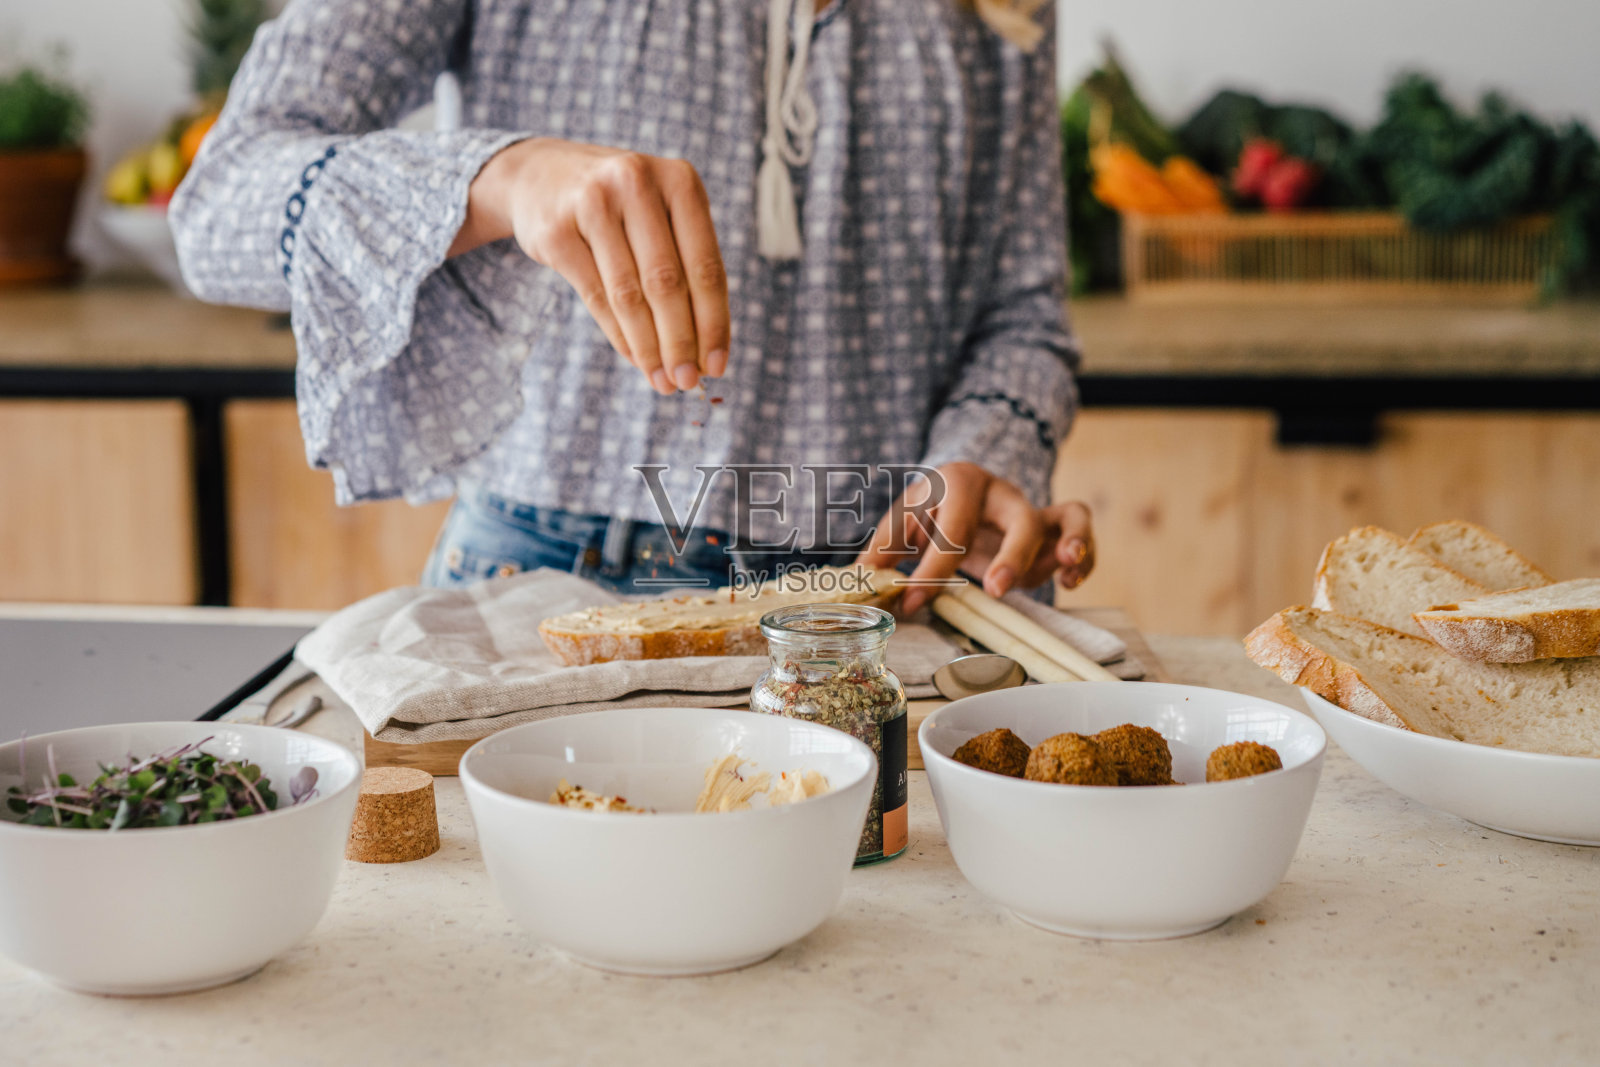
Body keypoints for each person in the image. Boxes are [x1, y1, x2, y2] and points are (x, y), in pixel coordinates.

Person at [171, 0, 1095, 615]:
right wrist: (497, 176)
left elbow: (1022, 309)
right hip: (554, 577)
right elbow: (219, 208)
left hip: (896, 592)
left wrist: (984, 449)